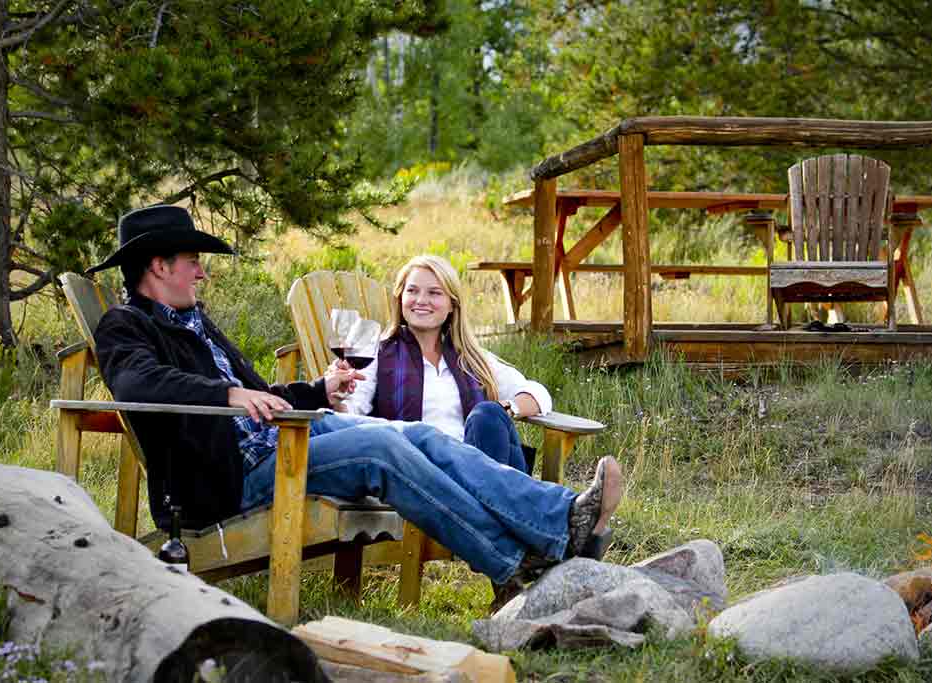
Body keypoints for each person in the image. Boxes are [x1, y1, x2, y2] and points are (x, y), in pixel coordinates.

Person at [88, 204, 623, 592]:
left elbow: (262, 396)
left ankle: (559, 518)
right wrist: (226, 392)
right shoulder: (125, 326)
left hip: (284, 439)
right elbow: (138, 384)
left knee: (412, 435)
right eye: (191, 261)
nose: (201, 271)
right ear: (159, 266)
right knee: (380, 453)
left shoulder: (197, 322)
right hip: (230, 477)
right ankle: (514, 561)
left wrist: (316, 391)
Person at [338, 255, 546, 474]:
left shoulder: (471, 358)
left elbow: (537, 393)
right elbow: (350, 411)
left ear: (451, 305)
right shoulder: (376, 354)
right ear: (400, 298)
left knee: (488, 414)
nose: (421, 300)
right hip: (418, 473)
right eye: (412, 291)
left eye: (434, 293)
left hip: (477, 468)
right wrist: (338, 396)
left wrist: (507, 407)